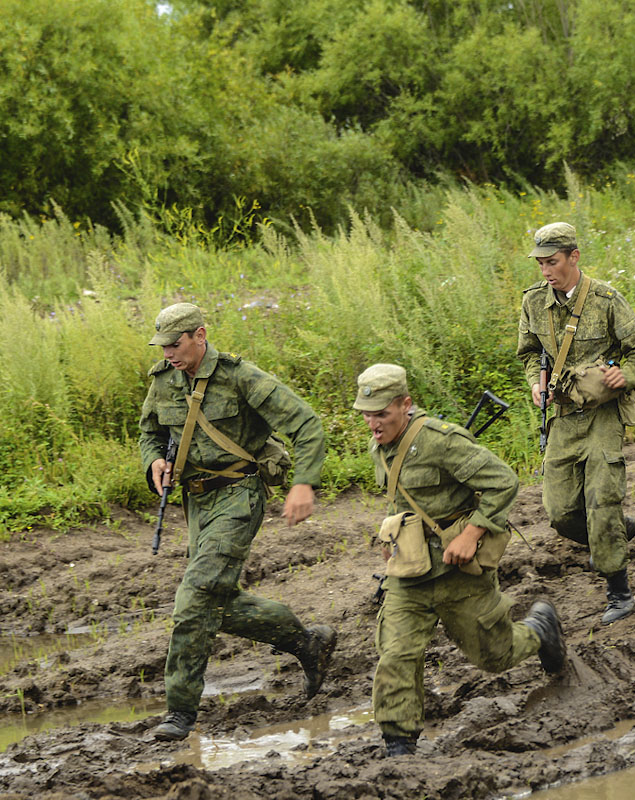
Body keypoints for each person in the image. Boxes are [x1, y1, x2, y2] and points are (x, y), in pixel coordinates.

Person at [137, 303, 337, 741]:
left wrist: (304, 484)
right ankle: (307, 642)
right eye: (162, 346)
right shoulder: (164, 380)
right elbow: (150, 431)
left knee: (194, 598)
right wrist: (154, 460)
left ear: (200, 335)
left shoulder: (240, 376)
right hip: (196, 503)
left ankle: (180, 712)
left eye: (175, 344)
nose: (168, 353)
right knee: (214, 600)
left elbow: (306, 424)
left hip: (238, 496)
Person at [354, 364, 566, 757]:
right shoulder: (379, 446)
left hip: (459, 571)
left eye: (381, 413)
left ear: (405, 404)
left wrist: (472, 534)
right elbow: (403, 501)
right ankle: (399, 744)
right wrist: (392, 537)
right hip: (409, 571)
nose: (373, 423)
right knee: (396, 653)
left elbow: (503, 481)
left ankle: (540, 629)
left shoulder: (440, 441)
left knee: (495, 655)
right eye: (366, 414)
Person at [516, 222, 635, 623]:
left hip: (602, 415)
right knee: (560, 512)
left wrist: (625, 375)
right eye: (541, 263)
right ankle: (614, 532)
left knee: (601, 499)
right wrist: (536, 382)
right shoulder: (533, 302)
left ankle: (619, 592)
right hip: (563, 415)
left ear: (573, 257)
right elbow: (529, 353)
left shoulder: (606, 300)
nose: (546, 270)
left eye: (552, 262)